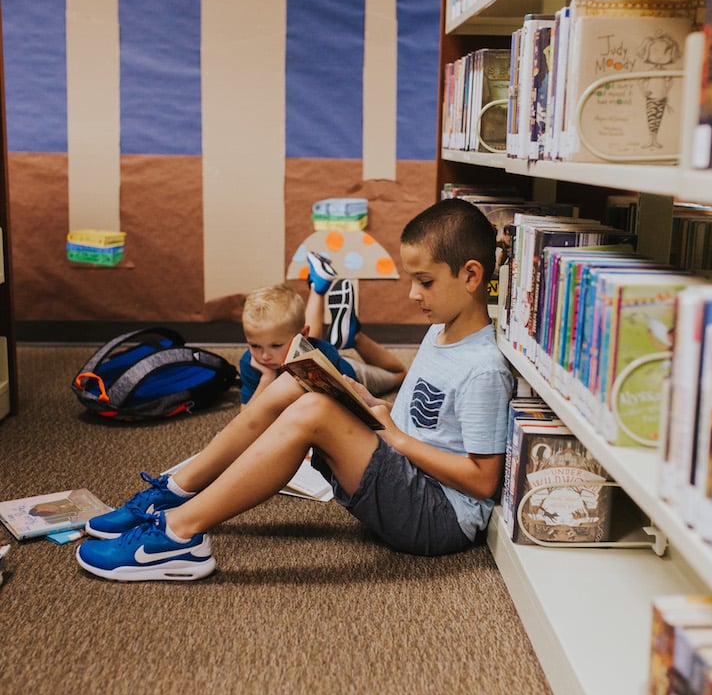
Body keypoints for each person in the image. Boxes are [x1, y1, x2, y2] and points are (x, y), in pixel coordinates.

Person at [76, 198, 515, 582]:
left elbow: (482, 480)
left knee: (314, 414)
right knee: (293, 383)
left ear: (471, 276)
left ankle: (178, 534)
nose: (411, 293)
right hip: (411, 477)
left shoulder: (483, 368)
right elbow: (432, 423)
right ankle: (176, 488)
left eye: (425, 281)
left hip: (438, 518)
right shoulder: (441, 332)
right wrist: (368, 405)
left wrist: (394, 438)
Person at [239, 266, 406, 405]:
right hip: (310, 346)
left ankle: (355, 337)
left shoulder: (323, 354)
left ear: (302, 335)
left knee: (400, 375)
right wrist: (266, 378)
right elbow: (245, 418)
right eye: (255, 345)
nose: (265, 356)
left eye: (275, 345)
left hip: (351, 374)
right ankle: (318, 286)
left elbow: (330, 406)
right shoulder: (252, 364)